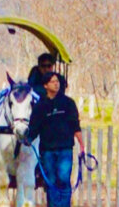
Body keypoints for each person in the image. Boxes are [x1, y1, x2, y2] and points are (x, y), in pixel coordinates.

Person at [26, 71, 84, 207]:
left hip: (65, 149)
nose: (56, 84)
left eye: (57, 81)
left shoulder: (68, 103)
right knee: (50, 181)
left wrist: (81, 144)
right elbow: (34, 128)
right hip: (47, 151)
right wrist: (26, 139)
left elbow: (75, 125)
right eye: (52, 82)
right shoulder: (40, 106)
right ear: (45, 85)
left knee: (63, 179)